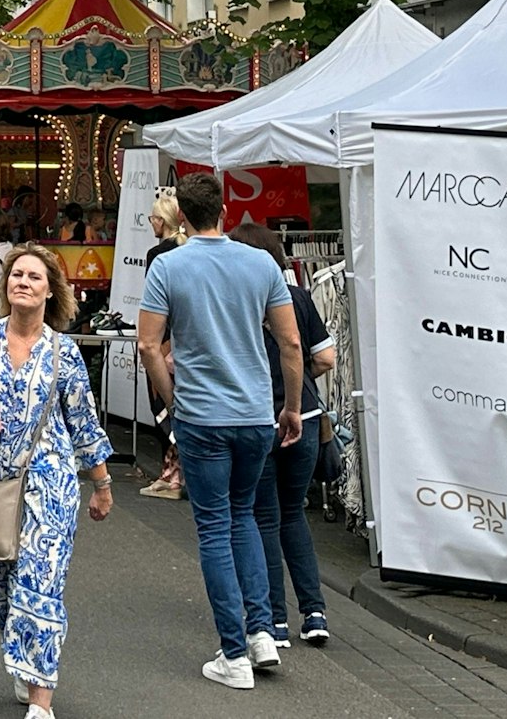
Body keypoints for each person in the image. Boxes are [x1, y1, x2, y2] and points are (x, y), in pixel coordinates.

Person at [135, 172, 303, 691]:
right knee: (244, 516)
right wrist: (291, 407)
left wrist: (172, 402)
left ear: (182, 217)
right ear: (225, 212)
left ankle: (233, 652)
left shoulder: (168, 266)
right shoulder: (261, 264)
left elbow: (148, 345)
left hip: (202, 414)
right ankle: (261, 632)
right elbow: (291, 343)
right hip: (254, 413)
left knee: (213, 527)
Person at [0, 244, 114, 717]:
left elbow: (84, 423)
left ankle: (41, 700)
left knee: (40, 582)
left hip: (49, 482)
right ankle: (24, 659)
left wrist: (101, 485)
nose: (23, 282)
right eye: (16, 275)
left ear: (50, 290)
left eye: (34, 277)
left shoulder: (65, 352)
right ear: (6, 286)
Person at [228, 223, 337, 649]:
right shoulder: (298, 298)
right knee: (294, 515)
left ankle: (274, 619)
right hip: (305, 416)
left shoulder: (235, 304)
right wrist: (298, 380)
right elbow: (326, 357)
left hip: (259, 420)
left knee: (264, 518)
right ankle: (314, 612)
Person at [139, 189, 190, 500]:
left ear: (162, 221)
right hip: (185, 337)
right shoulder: (188, 249)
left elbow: (154, 304)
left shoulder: (157, 255)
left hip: (163, 339)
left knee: (163, 403)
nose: (151, 223)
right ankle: (178, 473)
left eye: (153, 218)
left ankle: (171, 475)